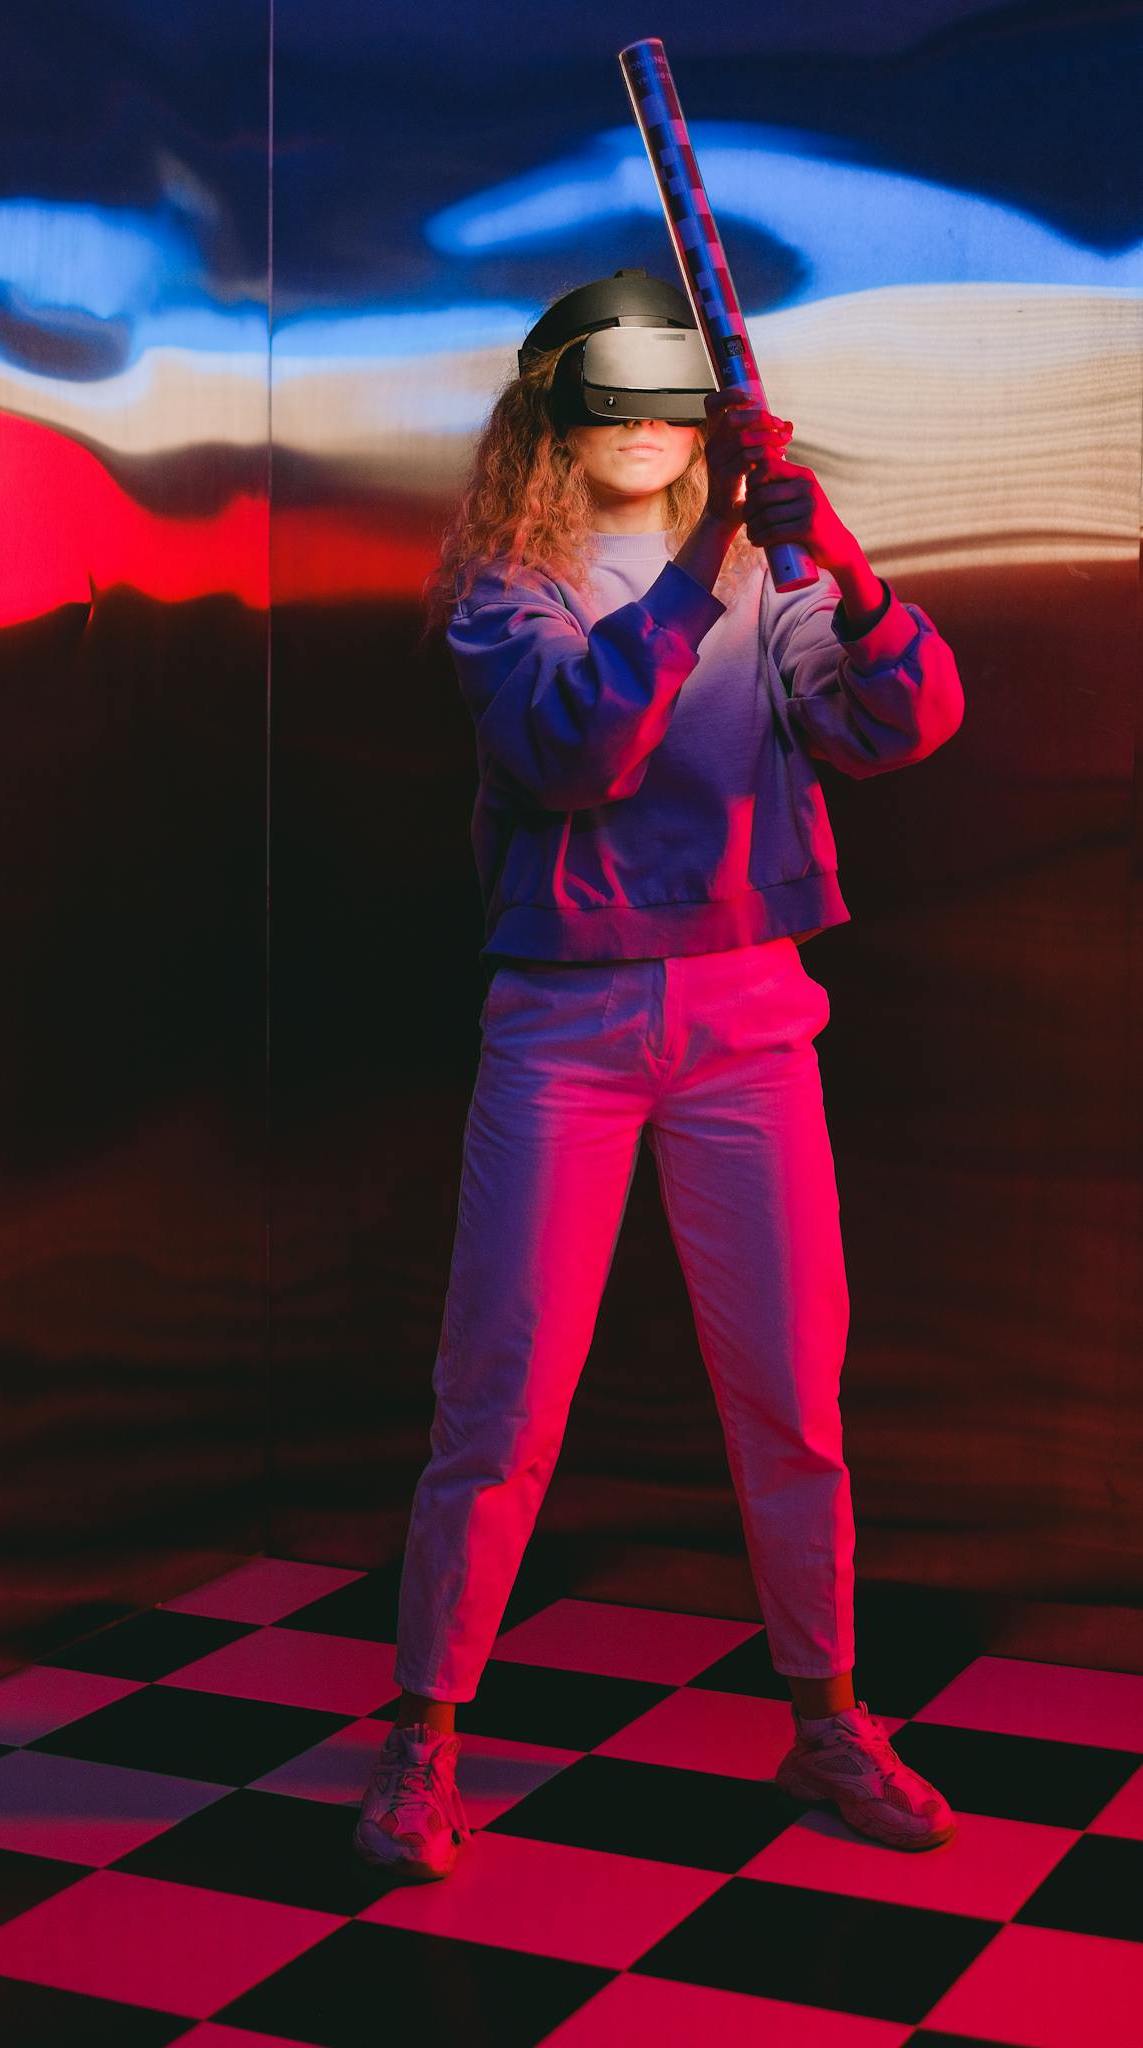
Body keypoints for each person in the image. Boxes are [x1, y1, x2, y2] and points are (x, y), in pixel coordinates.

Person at [354, 270, 964, 1883]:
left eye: (666, 405)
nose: (641, 431)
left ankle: (827, 1716)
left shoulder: (769, 578)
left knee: (792, 1396)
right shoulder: (510, 580)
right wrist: (714, 558)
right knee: (497, 1400)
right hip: (562, 1025)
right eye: (611, 403)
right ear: (552, 413)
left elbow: (898, 722)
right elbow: (575, 748)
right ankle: (423, 1742)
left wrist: (833, 564)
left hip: (750, 1017)